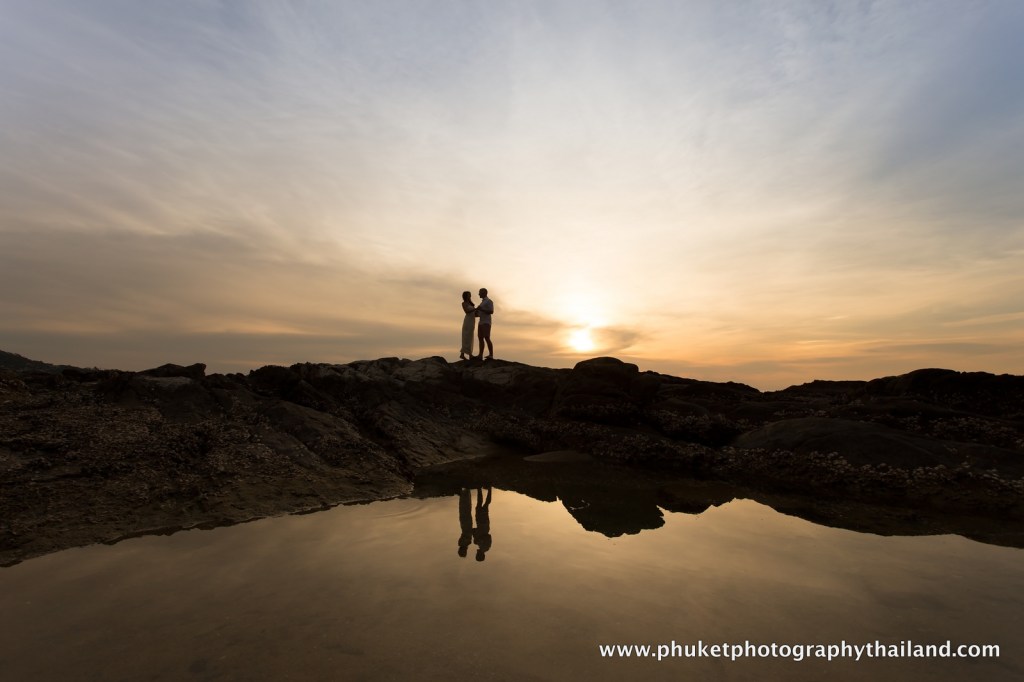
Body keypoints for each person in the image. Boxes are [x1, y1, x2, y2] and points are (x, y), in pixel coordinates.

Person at [474, 288, 494, 360]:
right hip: (481, 322)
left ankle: (491, 354)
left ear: (484, 293)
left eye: (480, 292)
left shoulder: (489, 301)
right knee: (480, 338)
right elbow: (480, 314)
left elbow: (491, 311)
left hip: (486, 322)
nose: (479, 294)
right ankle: (480, 355)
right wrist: (474, 313)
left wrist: (480, 309)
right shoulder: (482, 302)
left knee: (487, 337)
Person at [459, 291, 476, 360]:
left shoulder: (471, 303)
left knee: (470, 337)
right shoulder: (463, 303)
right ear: (465, 296)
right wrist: (475, 309)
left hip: (472, 321)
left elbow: (474, 314)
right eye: (469, 295)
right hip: (467, 321)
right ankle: (469, 354)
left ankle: (465, 354)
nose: (470, 296)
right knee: (466, 337)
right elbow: (467, 311)